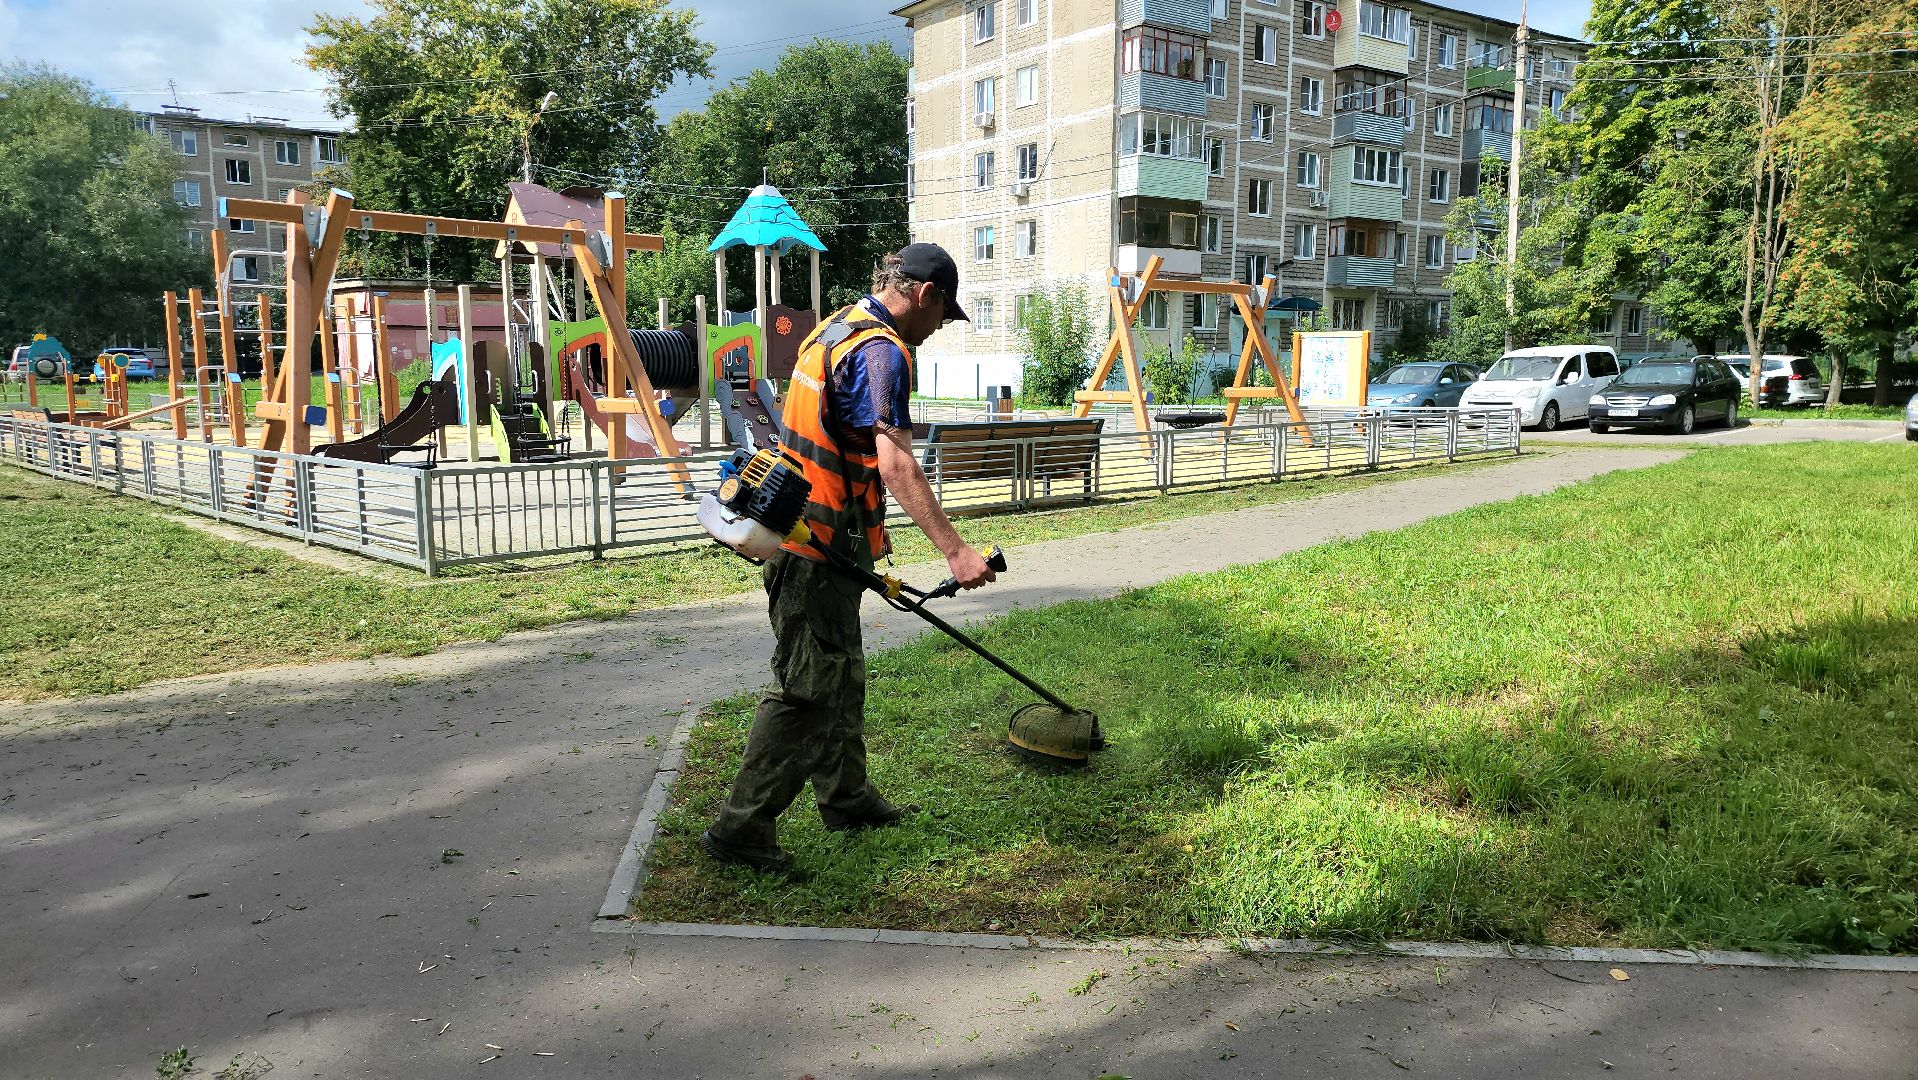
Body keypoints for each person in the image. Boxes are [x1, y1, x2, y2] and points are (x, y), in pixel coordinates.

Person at [702, 243, 996, 875]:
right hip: (814, 544)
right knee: (808, 691)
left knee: (841, 673)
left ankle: (847, 797)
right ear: (925, 294)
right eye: (943, 315)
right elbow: (896, 462)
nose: (939, 328)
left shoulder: (834, 328)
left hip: (810, 535)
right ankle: (740, 828)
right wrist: (957, 551)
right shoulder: (882, 351)